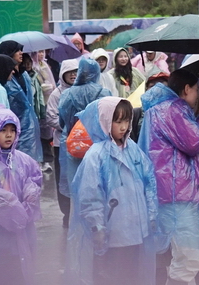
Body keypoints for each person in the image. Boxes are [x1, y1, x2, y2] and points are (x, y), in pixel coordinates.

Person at [139, 68, 199, 284]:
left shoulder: (158, 108)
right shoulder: (174, 109)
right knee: (188, 260)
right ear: (187, 88)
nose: (198, 94)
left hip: (168, 191)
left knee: (179, 257)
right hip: (179, 193)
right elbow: (194, 143)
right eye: (197, 89)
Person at [67, 97, 159, 285]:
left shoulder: (132, 149)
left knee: (132, 276)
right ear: (105, 121)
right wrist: (98, 228)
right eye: (118, 121)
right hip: (114, 232)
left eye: (127, 120)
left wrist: (151, 214)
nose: (124, 127)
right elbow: (90, 196)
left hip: (137, 230)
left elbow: (149, 183)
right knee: (113, 276)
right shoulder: (96, 155)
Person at [0, 107, 43, 285]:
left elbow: (35, 179)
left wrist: (30, 197)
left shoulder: (23, 160)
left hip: (24, 228)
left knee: (21, 268)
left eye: (12, 130)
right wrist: (7, 207)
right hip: (0, 231)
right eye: (3, 130)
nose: (9, 135)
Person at [59, 56, 112, 201]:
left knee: (76, 188)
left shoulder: (66, 94)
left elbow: (62, 122)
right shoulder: (104, 93)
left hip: (74, 145)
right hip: (98, 145)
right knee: (98, 187)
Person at [0, 42, 43, 163]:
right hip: (12, 128)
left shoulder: (24, 74)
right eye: (17, 50)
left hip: (30, 126)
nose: (21, 53)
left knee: (29, 164)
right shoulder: (4, 80)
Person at [46, 57, 77, 224]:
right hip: (61, 144)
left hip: (80, 143)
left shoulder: (81, 91)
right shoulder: (56, 94)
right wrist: (67, 126)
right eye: (69, 72)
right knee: (62, 178)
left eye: (75, 72)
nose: (73, 75)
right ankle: (66, 212)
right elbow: (51, 117)